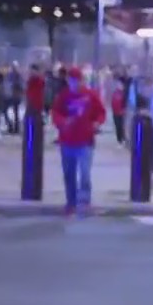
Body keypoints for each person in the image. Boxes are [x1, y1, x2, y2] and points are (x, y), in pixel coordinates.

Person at [51, 67, 105, 216]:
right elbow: (55, 113)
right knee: (69, 173)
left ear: (81, 80)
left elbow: (101, 112)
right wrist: (62, 122)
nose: (74, 84)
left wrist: (97, 123)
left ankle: (84, 201)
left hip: (85, 141)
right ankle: (71, 202)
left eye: (76, 80)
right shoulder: (63, 96)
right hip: (67, 141)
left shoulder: (90, 95)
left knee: (85, 173)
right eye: (71, 81)